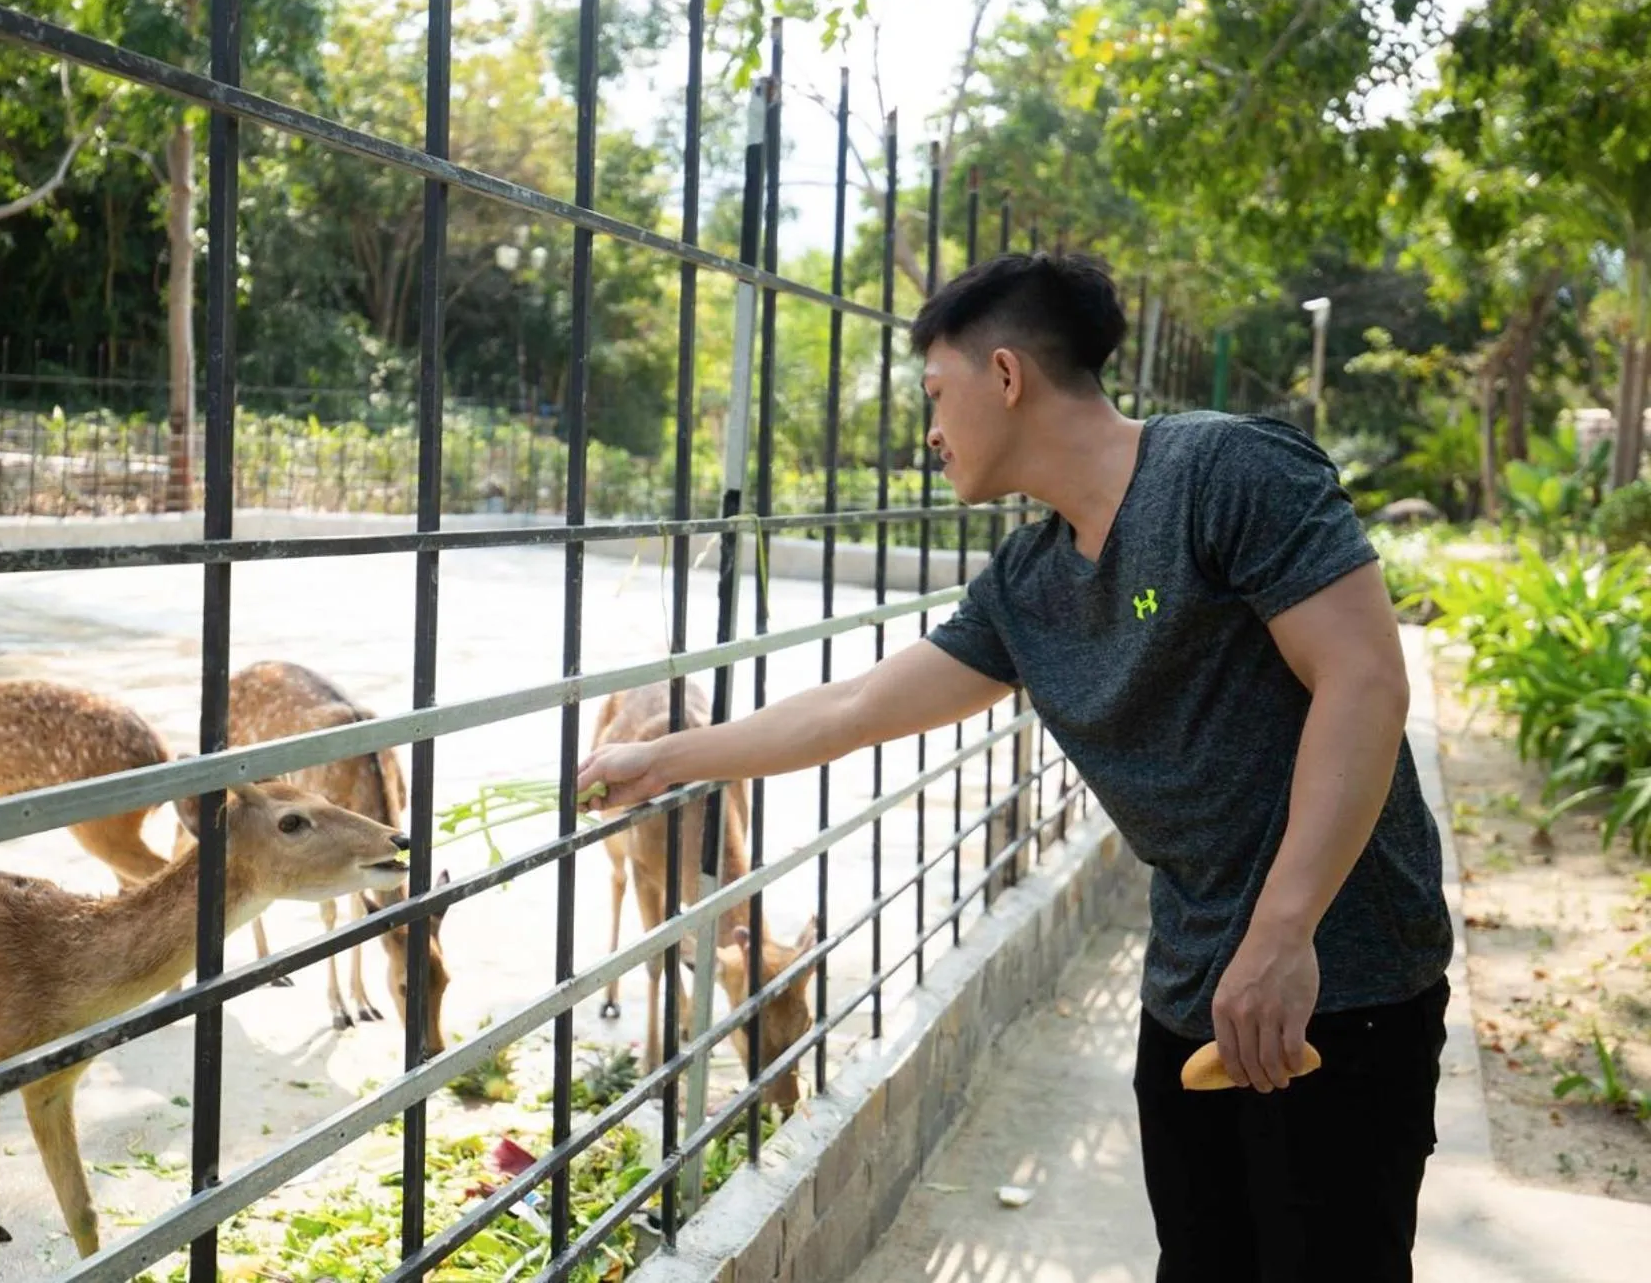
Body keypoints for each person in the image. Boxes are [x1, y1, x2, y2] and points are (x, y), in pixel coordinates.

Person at [574, 252, 1455, 1282]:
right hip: (1190, 981)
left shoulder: (1225, 472)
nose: (929, 431)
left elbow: (1361, 682)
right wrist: (661, 759)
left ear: (1004, 376)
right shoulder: (1027, 583)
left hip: (1337, 980)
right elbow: (856, 705)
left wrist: (1281, 934)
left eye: (934, 395)